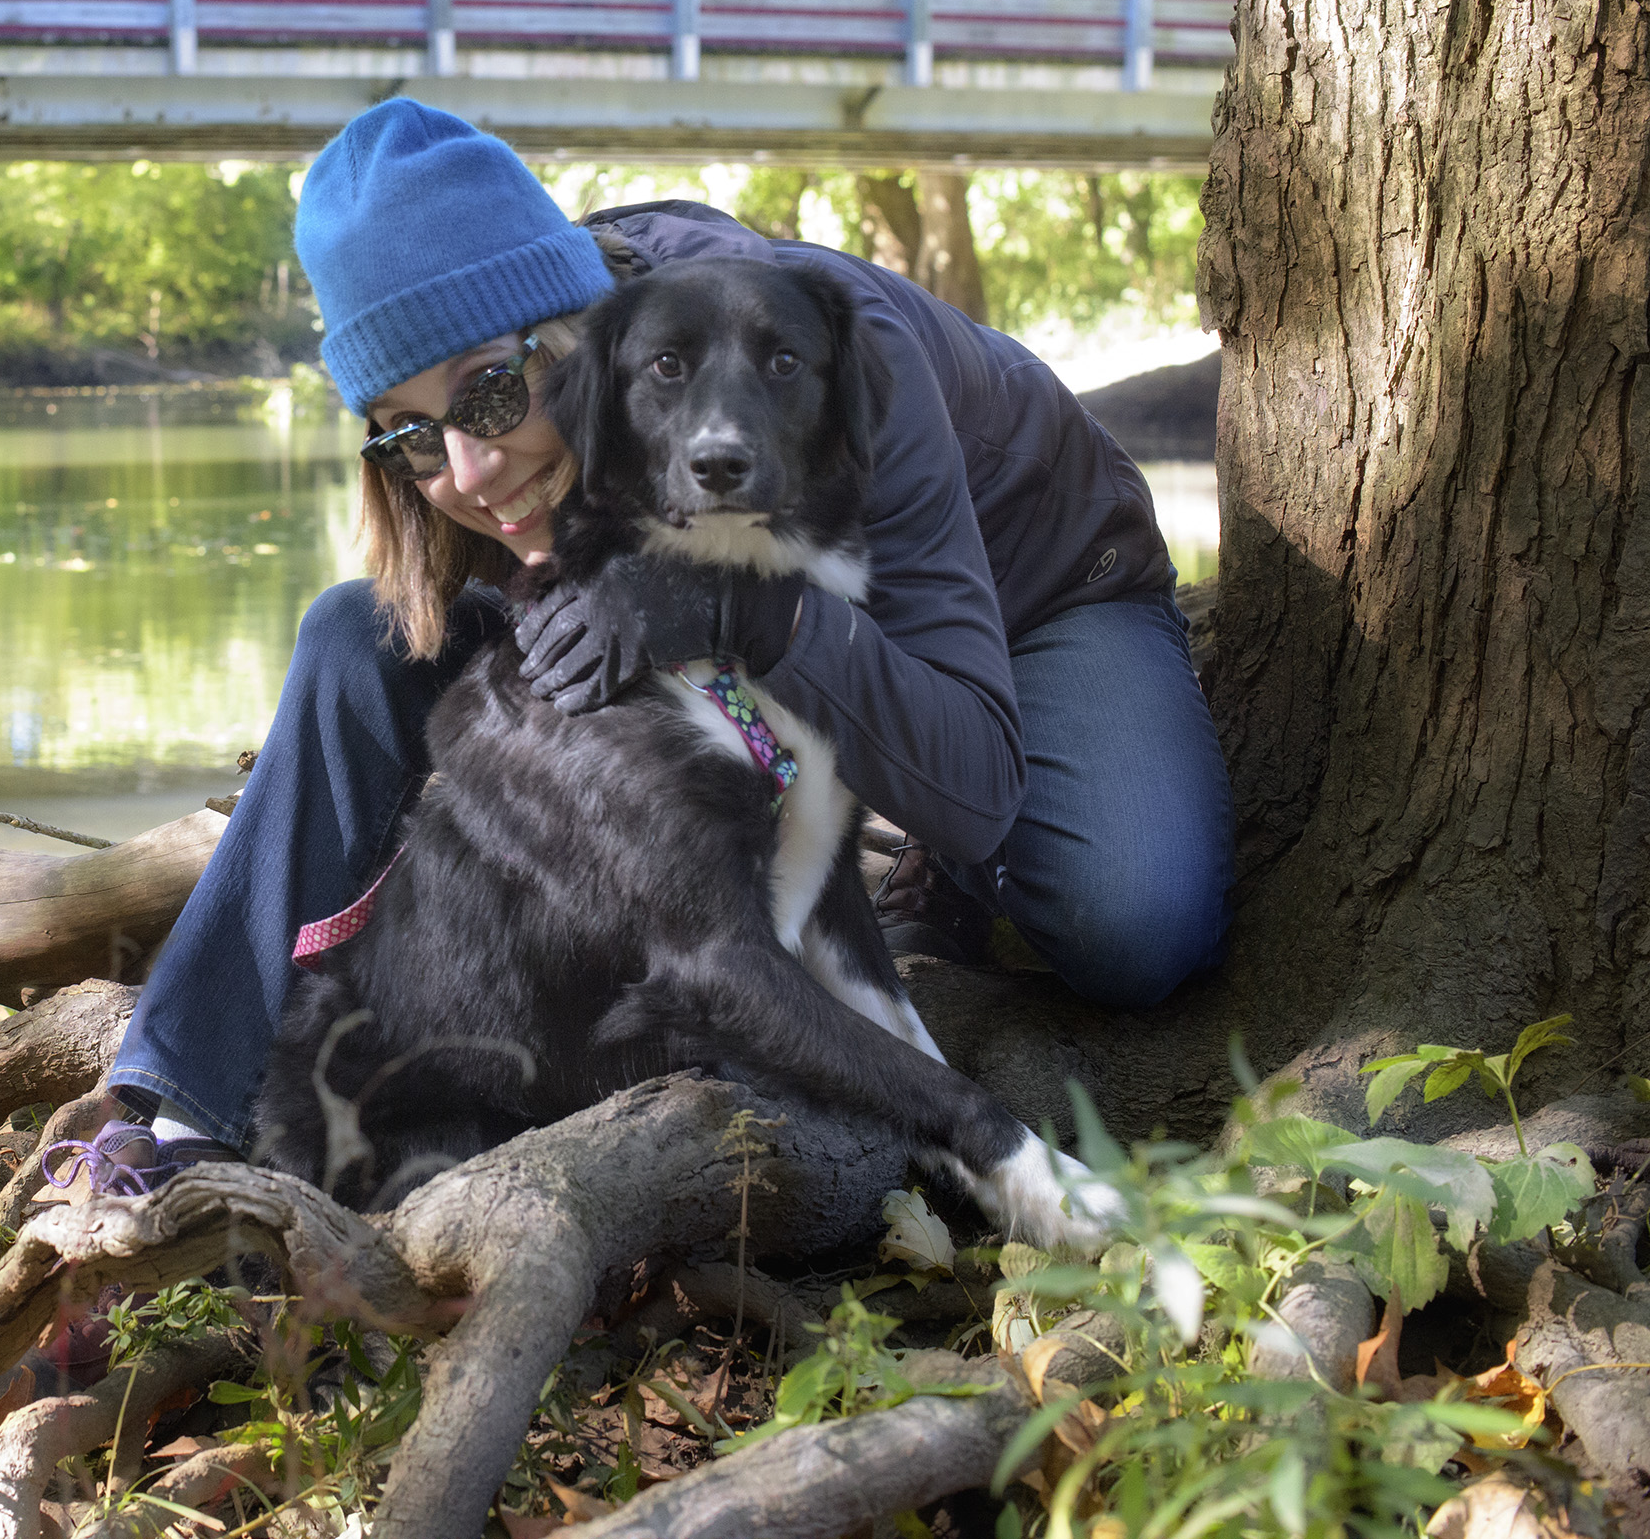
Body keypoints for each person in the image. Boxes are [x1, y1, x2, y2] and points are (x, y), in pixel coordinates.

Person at [99, 98, 1232, 1170]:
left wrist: (739, 607)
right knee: (357, 634)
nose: (471, 473)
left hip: (1036, 605)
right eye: (409, 435)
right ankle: (176, 1110)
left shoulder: (829, 360)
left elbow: (981, 780)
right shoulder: (498, 458)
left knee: (1134, 918)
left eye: (493, 395)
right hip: (753, 641)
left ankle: (940, 874)